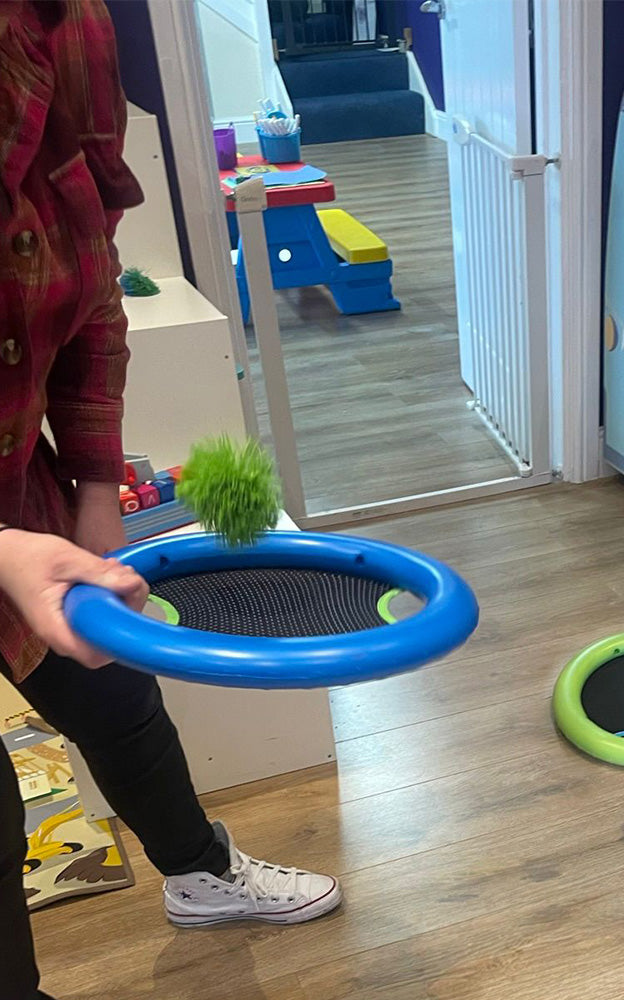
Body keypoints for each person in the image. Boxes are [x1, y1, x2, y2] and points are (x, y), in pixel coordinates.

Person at [0, 4, 340, 998]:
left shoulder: (76, 30)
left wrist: (97, 490)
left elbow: (92, 294)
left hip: (24, 492)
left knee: (114, 689)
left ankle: (200, 873)